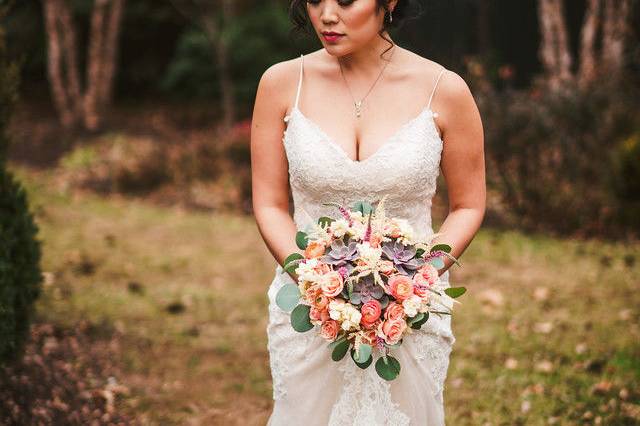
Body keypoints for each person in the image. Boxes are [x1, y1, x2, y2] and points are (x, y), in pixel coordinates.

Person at [251, 0, 485, 424]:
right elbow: (269, 204)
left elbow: (468, 205)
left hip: (409, 312)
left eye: (343, 1)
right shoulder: (281, 83)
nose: (325, 15)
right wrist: (313, 282)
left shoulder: (444, 89)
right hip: (307, 310)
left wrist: (416, 282)